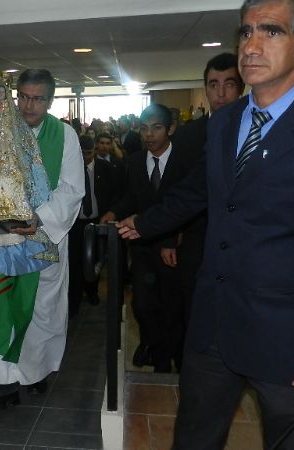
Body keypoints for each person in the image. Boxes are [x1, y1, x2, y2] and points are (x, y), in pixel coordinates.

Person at [116, 0, 294, 447]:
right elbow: (198, 192)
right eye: (245, 32)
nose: (252, 47)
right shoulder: (223, 122)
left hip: (292, 345)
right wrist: (144, 223)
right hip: (211, 331)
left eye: (272, 32)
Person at [0, 69, 84, 409]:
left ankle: (36, 372)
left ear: (50, 100)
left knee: (42, 309)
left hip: (42, 238)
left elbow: (72, 189)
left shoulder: (65, 136)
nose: (29, 106)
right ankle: (3, 385)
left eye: (38, 98)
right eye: (24, 97)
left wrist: (38, 218)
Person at [164, 52, 244, 370]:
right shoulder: (187, 135)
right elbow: (176, 190)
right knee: (192, 303)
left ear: (242, 87)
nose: (221, 93)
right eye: (213, 85)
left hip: (242, 239)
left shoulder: (259, 129)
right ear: (206, 89)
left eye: (229, 84)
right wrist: (169, 237)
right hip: (195, 237)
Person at [101, 104, 186, 373]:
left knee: (173, 306)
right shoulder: (135, 161)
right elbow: (133, 197)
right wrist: (114, 211)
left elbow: (190, 205)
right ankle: (153, 343)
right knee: (142, 305)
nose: (149, 135)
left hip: (176, 247)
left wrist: (172, 239)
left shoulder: (186, 160)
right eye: (144, 128)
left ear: (170, 128)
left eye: (156, 128)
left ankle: (170, 355)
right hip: (142, 246)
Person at [67, 135, 118, 317]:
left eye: (88, 153)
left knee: (94, 258)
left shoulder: (106, 169)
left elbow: (115, 194)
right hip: (75, 224)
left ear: (95, 151)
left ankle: (92, 293)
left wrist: (110, 213)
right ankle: (74, 299)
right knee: (74, 262)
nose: (85, 156)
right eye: (81, 153)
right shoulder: (69, 170)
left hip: (98, 222)